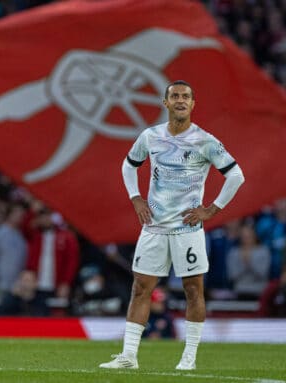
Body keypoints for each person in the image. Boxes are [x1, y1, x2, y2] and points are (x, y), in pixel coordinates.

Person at [100, 81, 245, 370]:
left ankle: (188, 358)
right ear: (165, 103)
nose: (180, 100)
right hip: (154, 228)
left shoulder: (205, 140)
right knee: (140, 288)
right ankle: (129, 357)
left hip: (186, 230)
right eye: (175, 96)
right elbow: (129, 165)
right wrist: (136, 198)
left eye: (186, 97)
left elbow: (236, 175)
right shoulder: (150, 136)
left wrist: (212, 209)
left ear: (193, 104)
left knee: (193, 290)